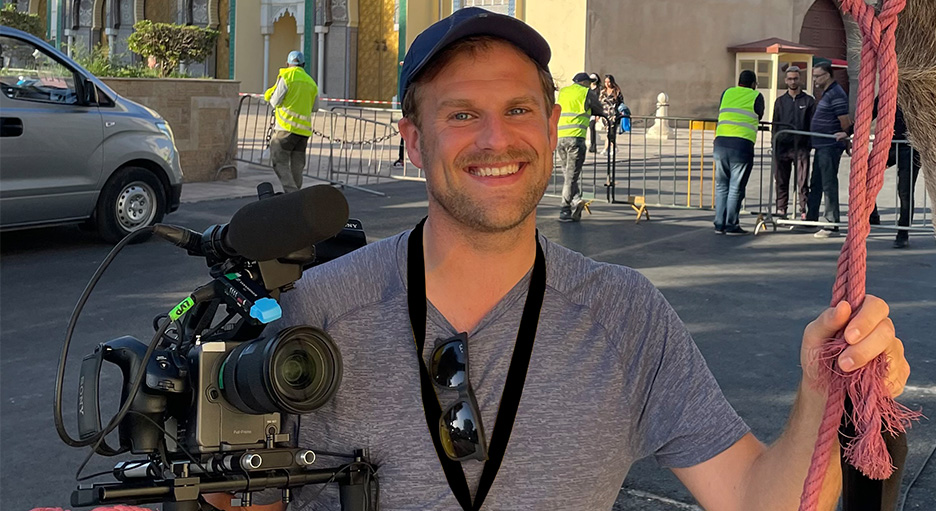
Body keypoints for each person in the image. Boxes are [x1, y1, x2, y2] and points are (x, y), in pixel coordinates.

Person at [210, 8, 908, 511]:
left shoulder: (627, 316)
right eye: (459, 114)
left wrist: (822, 389)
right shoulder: (315, 312)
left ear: (551, 127)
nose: (495, 138)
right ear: (414, 141)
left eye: (518, 109)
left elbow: (762, 502)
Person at [712, 70, 765, 235]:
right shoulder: (756, 96)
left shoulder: (727, 93)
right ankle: (731, 224)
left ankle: (719, 224)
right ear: (753, 84)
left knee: (721, 186)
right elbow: (759, 115)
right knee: (735, 187)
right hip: (741, 145)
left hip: (720, 143)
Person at [806, 62, 852, 238]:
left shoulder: (836, 93)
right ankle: (811, 219)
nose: (815, 80)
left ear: (828, 75)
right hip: (821, 145)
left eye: (817, 76)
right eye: (814, 76)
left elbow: (844, 120)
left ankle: (832, 223)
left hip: (830, 146)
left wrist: (846, 135)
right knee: (816, 182)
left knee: (828, 184)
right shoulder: (827, 93)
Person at [263, 50, 319, 193]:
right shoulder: (311, 82)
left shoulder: (286, 76)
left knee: (279, 161)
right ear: (303, 65)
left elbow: (275, 102)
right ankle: (297, 196)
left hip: (285, 129)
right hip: (303, 132)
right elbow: (315, 108)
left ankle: (292, 195)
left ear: (287, 64)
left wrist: (269, 95)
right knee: (297, 167)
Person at [772, 66, 816, 220]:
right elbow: (775, 124)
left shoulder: (809, 101)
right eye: (790, 78)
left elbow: (812, 124)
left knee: (803, 182)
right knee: (781, 180)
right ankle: (781, 209)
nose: (793, 81)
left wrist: (809, 145)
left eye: (795, 78)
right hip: (782, 148)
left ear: (800, 79)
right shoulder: (780, 101)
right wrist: (774, 144)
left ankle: (804, 209)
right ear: (785, 80)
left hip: (801, 148)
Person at [556, 71, 601, 222]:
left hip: (560, 137)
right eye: (589, 82)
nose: (590, 84)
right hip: (576, 139)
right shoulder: (586, 93)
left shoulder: (564, 92)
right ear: (584, 83)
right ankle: (565, 209)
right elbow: (599, 109)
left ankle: (576, 200)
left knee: (567, 173)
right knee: (571, 177)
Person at [599, 74, 625, 156]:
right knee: (608, 133)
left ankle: (607, 148)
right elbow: (599, 103)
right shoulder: (602, 92)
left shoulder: (616, 91)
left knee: (611, 133)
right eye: (606, 82)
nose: (607, 84)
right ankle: (614, 147)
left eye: (609, 82)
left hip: (614, 115)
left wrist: (622, 112)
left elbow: (621, 102)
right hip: (605, 115)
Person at [587, 72, 601, 152]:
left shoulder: (598, 90)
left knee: (592, 127)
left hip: (594, 111)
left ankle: (593, 145)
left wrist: (598, 114)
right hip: (587, 111)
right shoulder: (588, 89)